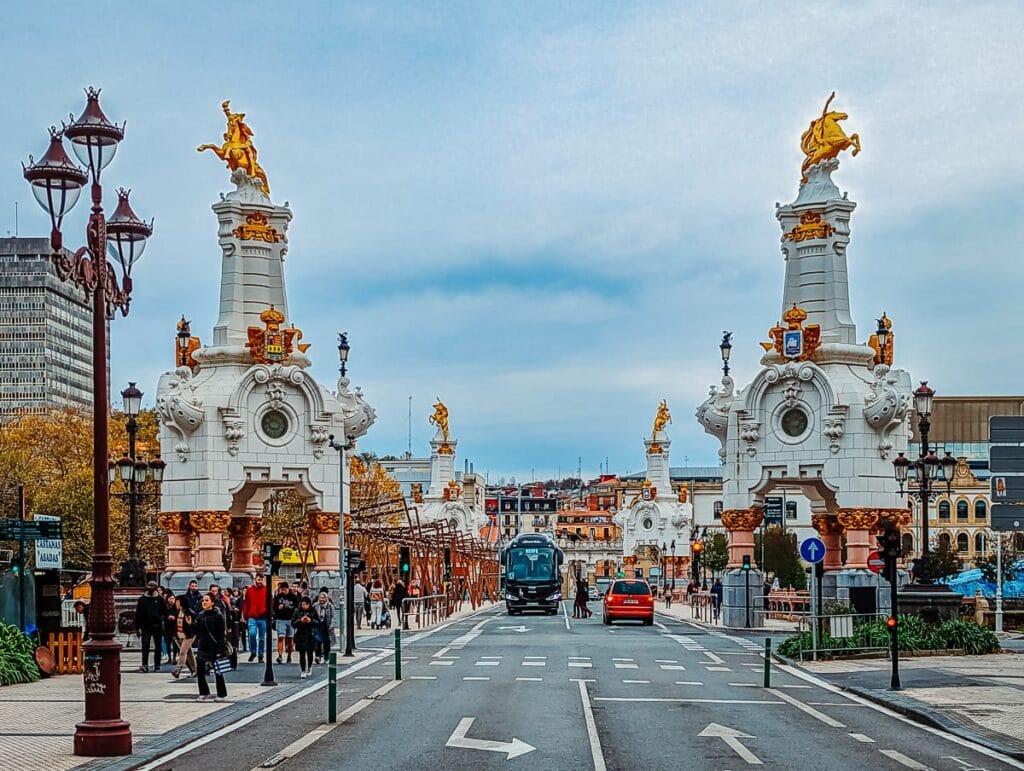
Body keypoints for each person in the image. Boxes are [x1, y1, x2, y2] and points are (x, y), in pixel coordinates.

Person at [193, 593, 228, 702]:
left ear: (212, 602)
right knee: (200, 671)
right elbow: (197, 631)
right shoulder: (200, 615)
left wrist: (219, 649)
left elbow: (221, 634)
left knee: (218, 671)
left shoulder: (218, 615)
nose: (204, 602)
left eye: (207, 600)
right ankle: (203, 692)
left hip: (215, 646)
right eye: (203, 600)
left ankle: (221, 693)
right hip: (203, 645)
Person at [173, 580, 202, 678]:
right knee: (188, 653)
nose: (176, 603)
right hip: (180, 634)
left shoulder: (189, 612)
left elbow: (193, 624)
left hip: (189, 635)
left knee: (182, 652)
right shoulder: (178, 612)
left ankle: (178, 669)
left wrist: (191, 624)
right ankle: (194, 670)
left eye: (177, 602)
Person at [135, 581, 165, 673]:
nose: (150, 588)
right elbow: (138, 614)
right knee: (145, 645)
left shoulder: (160, 599)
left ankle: (157, 665)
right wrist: (137, 627)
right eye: (149, 586)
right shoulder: (142, 599)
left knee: (158, 646)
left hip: (157, 625)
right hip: (145, 626)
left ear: (156, 588)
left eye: (152, 586)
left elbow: (164, 612)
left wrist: (161, 620)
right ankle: (145, 664)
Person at [242, 574, 268, 663]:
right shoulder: (249, 590)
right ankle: (253, 652)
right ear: (255, 580)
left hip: (263, 617)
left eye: (261, 580)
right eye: (258, 579)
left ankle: (260, 654)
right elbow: (246, 604)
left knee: (262, 638)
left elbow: (270, 603)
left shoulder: (266, 590)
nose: (260, 581)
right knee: (252, 634)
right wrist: (245, 616)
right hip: (252, 616)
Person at [291, 596, 317, 677]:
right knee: (302, 653)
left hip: (310, 634)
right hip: (300, 634)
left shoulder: (313, 611)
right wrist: (300, 620)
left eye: (306, 604)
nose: (304, 606)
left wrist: (310, 621)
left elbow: (317, 622)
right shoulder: (297, 611)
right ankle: (303, 670)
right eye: (303, 604)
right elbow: (293, 623)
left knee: (310, 653)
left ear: (309, 605)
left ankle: (309, 667)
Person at [273, 581, 297, 663]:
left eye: (284, 590)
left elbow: (296, 608)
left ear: (287, 589)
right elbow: (273, 608)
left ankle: (289, 655)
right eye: (281, 590)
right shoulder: (277, 597)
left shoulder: (293, 597)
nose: (283, 591)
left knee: (290, 638)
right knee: (281, 637)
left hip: (290, 619)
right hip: (280, 619)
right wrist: (278, 608)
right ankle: (280, 655)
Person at [312, 589, 334, 663]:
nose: (321, 599)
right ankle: (317, 656)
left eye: (323, 598)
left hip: (326, 626)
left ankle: (326, 657)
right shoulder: (315, 605)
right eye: (320, 598)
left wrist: (331, 625)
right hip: (317, 626)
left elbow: (333, 616)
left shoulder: (330, 606)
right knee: (317, 642)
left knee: (326, 643)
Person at [163, 594, 181, 663]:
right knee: (168, 643)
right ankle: (169, 657)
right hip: (167, 627)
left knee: (175, 643)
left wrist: (174, 617)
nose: (171, 600)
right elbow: (163, 615)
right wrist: (167, 617)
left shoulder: (176, 607)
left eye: (173, 598)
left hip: (175, 627)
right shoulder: (165, 607)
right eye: (170, 598)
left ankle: (174, 657)